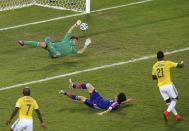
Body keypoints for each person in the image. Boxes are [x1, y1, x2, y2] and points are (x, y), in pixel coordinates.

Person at [17, 20, 91, 58]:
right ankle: (23, 42)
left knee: (48, 45)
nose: (76, 42)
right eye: (75, 40)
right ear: (71, 39)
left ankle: (48, 42)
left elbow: (80, 52)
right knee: (43, 44)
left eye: (76, 41)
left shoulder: (72, 49)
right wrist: (76, 25)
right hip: (53, 48)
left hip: (53, 53)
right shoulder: (66, 39)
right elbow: (70, 30)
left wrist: (86, 45)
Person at [59, 79, 132, 115]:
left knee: (81, 98)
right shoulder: (118, 102)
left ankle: (64, 93)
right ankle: (72, 85)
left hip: (95, 104)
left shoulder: (115, 104)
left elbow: (110, 109)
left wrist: (101, 113)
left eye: (117, 95)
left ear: (118, 98)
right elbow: (121, 103)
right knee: (88, 85)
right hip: (99, 98)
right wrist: (127, 101)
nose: (116, 95)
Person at [152, 51, 184, 121]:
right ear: (163, 57)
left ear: (157, 58)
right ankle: (167, 112)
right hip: (168, 85)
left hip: (161, 87)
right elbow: (180, 66)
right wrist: (182, 63)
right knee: (175, 99)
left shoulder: (154, 66)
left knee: (168, 102)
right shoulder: (167, 63)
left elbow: (154, 78)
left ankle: (177, 116)